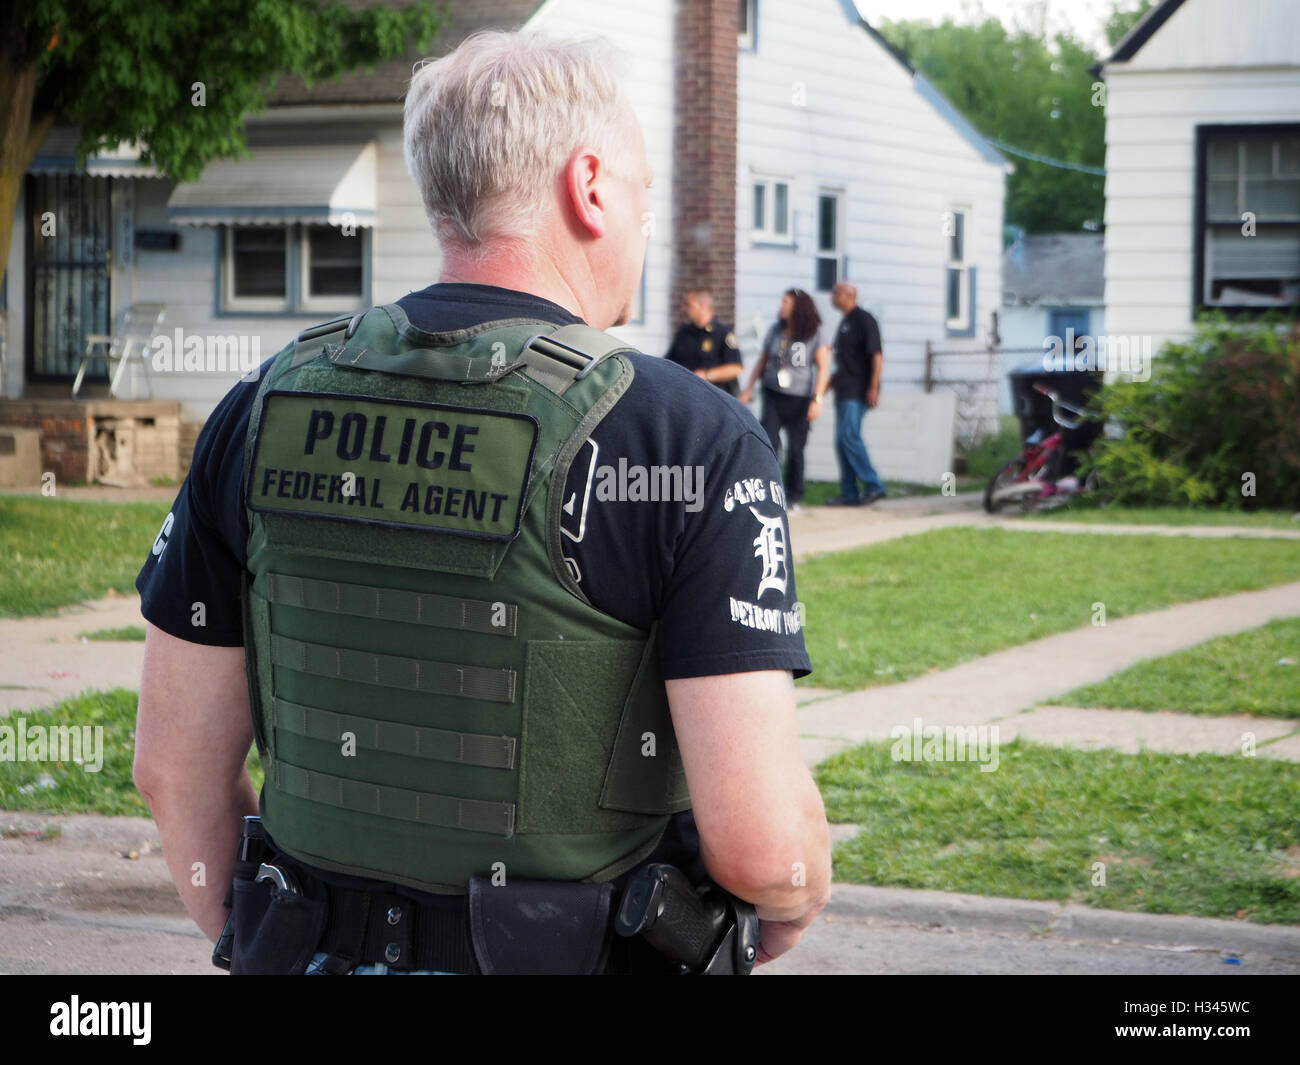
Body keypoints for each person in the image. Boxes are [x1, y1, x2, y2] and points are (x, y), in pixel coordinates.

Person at [131, 30, 829, 976]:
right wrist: (788, 894)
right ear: (589, 188)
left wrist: (272, 941)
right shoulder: (690, 439)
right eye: (642, 196)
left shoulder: (260, 408)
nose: (645, 227)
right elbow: (763, 851)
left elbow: (172, 771)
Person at [738, 289, 831, 512]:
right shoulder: (776, 330)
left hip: (800, 399)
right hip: (773, 394)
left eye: (786, 302)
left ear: (798, 306)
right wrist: (749, 388)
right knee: (768, 441)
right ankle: (769, 489)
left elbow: (824, 368)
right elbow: (763, 361)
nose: (781, 305)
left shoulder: (814, 332)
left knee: (796, 449)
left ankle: (794, 496)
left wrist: (818, 399)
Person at [826, 282, 887, 507]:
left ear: (849, 295)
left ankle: (874, 485)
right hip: (843, 389)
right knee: (841, 441)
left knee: (849, 436)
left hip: (858, 390)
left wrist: (874, 387)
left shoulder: (864, 320)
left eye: (836, 293)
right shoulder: (846, 322)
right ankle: (849, 493)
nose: (832, 297)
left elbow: (877, 357)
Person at [664, 288, 743, 396]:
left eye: (688, 305)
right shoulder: (684, 332)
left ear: (702, 306)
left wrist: (706, 375)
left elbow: (736, 368)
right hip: (688, 395)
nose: (683, 309)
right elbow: (669, 362)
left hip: (716, 397)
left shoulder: (723, 333)